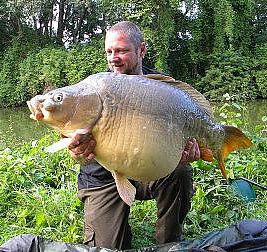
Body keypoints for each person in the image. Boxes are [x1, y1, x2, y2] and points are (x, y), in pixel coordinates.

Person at [68, 21, 200, 250]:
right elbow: (76, 153)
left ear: (141, 50)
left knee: (180, 171)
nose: (113, 58)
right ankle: (117, 226)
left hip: (149, 170)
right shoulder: (92, 91)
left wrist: (183, 152)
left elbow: (182, 134)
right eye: (109, 51)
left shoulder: (161, 90)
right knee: (107, 248)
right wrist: (79, 154)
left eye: (121, 50)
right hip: (103, 178)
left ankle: (169, 242)